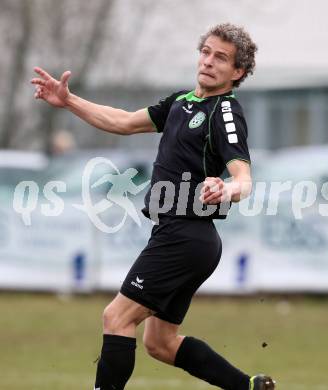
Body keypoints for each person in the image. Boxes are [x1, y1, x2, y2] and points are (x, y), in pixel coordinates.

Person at [31, 23, 275, 390]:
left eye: (221, 58)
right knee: (159, 343)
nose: (208, 61)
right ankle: (249, 387)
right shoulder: (182, 102)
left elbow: (244, 179)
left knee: (116, 317)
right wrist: (68, 101)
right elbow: (125, 122)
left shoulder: (224, 112)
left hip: (186, 235)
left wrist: (225, 189)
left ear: (237, 72)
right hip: (181, 236)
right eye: (206, 52)